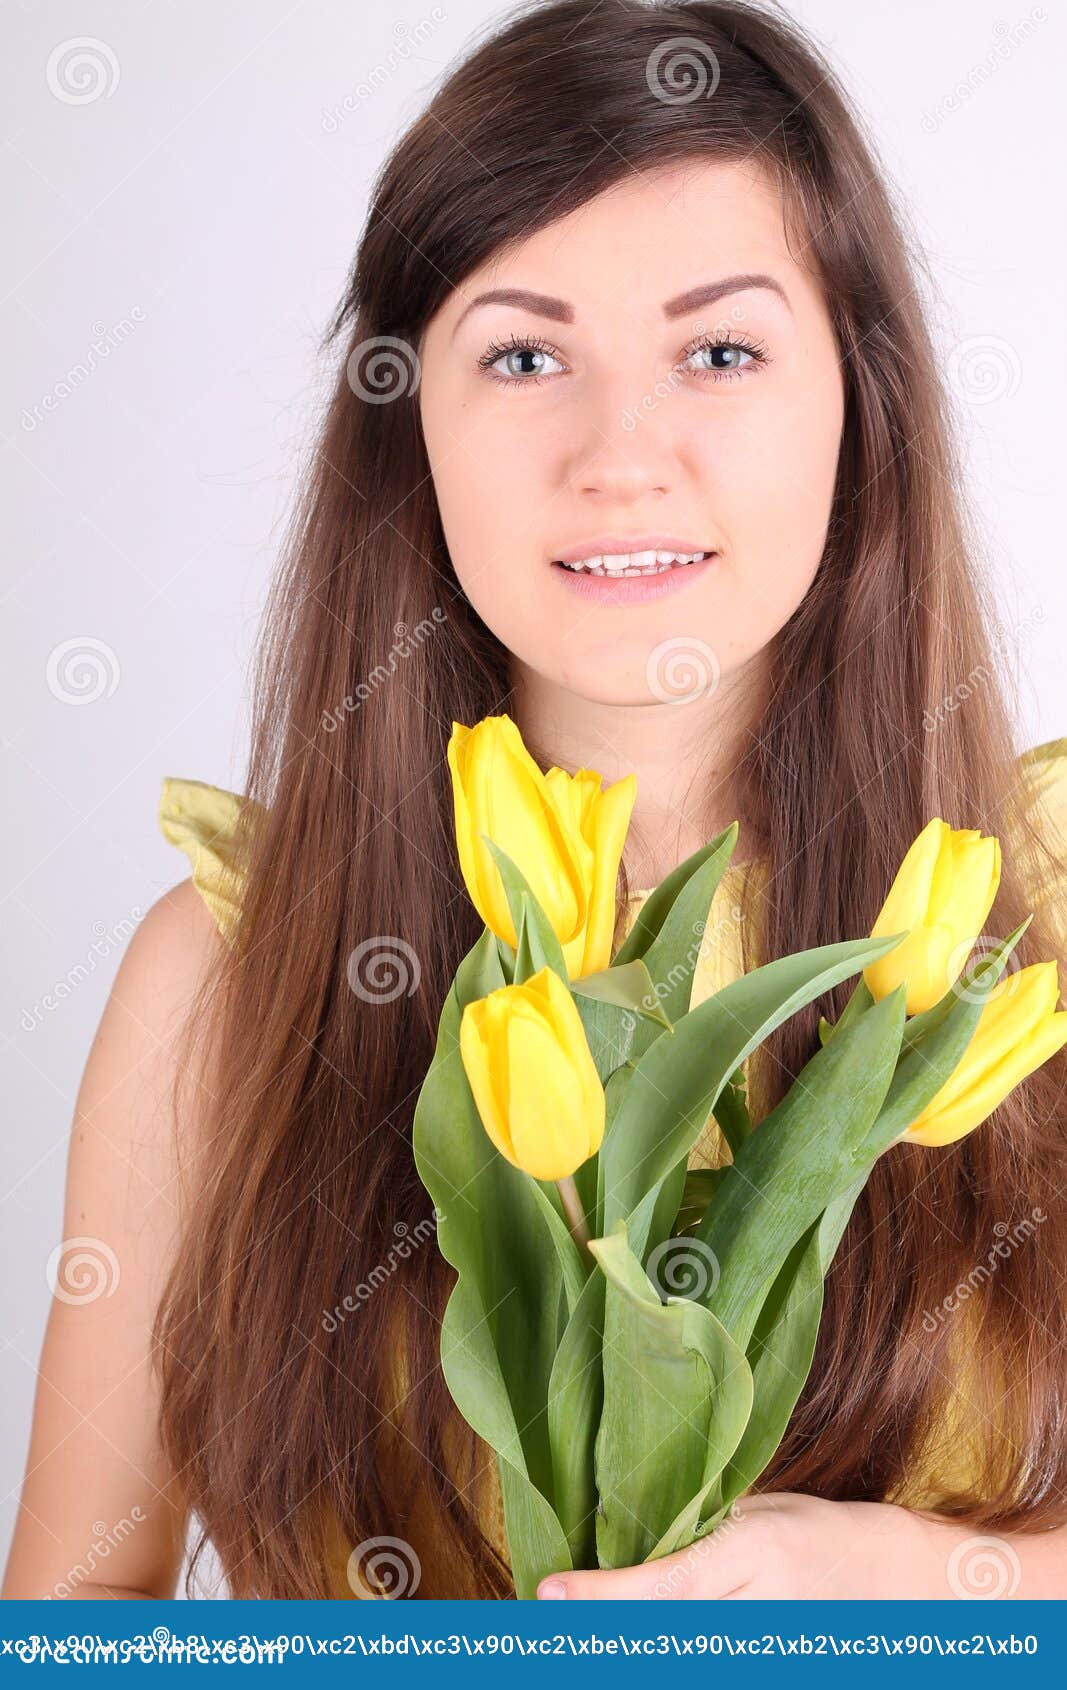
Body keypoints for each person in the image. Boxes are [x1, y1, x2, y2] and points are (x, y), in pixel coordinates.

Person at [5, 0, 1066, 1601]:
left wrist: (890, 1571)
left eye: (719, 350)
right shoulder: (229, 974)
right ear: (407, 414)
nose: (620, 454)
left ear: (861, 396)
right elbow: (78, 1620)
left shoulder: (1030, 924)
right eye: (522, 353)